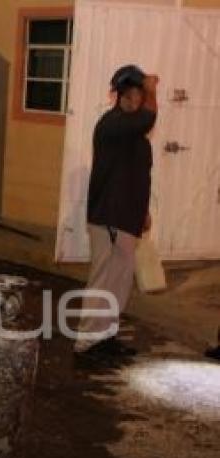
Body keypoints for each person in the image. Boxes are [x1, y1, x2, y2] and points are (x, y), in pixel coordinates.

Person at [74, 65, 159, 361]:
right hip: (109, 217)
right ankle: (86, 345)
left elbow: (138, 176)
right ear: (123, 95)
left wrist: (143, 211)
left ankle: (106, 337)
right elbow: (149, 117)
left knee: (120, 283)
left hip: (126, 218)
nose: (139, 99)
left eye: (141, 94)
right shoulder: (113, 124)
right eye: (136, 93)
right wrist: (153, 89)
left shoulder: (134, 134)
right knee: (102, 282)